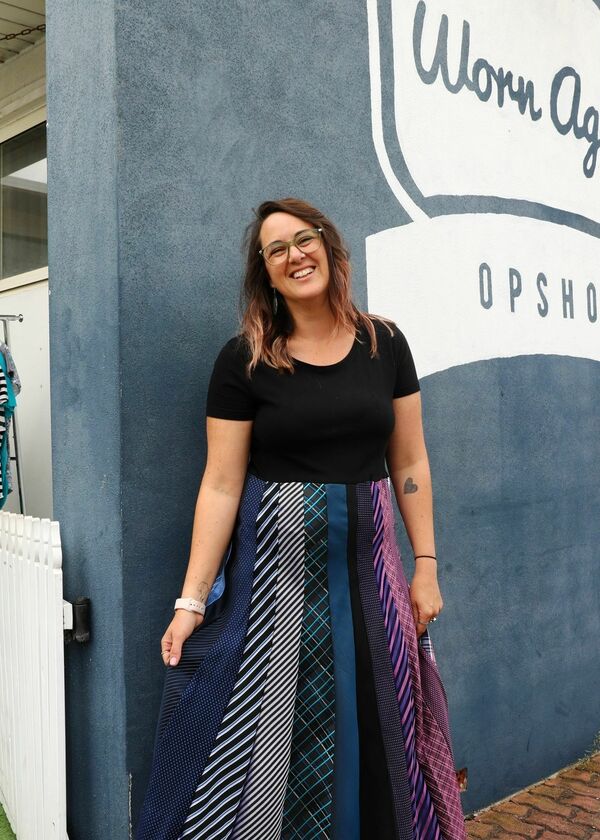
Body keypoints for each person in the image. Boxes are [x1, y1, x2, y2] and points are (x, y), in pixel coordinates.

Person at [136, 198, 466, 840]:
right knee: (256, 737)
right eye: (276, 249)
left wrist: (425, 565)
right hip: (274, 595)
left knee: (385, 724)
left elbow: (411, 461)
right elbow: (222, 484)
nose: (295, 255)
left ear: (329, 247)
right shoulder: (245, 359)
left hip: (372, 584)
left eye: (304, 238)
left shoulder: (385, 343)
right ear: (266, 272)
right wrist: (191, 599)